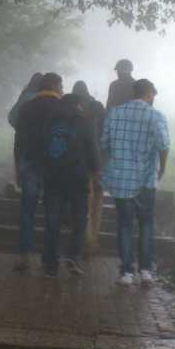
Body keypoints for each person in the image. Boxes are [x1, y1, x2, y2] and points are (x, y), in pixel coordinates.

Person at [101, 78, 169, 286]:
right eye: (153, 95)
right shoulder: (155, 115)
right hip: (146, 180)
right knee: (146, 224)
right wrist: (162, 168)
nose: (153, 99)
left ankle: (126, 273)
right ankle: (146, 271)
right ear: (149, 94)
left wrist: (110, 167)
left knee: (124, 225)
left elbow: (104, 143)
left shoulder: (115, 113)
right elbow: (164, 145)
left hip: (121, 179)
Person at [40, 91, 100, 277]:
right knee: (80, 220)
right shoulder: (85, 122)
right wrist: (96, 171)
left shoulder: (49, 121)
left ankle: (50, 264)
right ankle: (73, 257)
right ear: (78, 105)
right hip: (77, 179)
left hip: (53, 179)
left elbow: (41, 147)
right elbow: (92, 149)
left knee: (52, 222)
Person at [12, 72, 64, 272]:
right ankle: (49, 259)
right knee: (53, 213)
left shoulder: (26, 107)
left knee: (28, 211)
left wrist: (18, 166)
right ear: (56, 85)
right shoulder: (62, 108)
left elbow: (18, 140)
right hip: (55, 166)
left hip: (30, 162)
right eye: (62, 85)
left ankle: (24, 254)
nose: (63, 89)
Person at [71, 80, 107, 256]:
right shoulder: (97, 107)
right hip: (97, 162)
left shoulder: (70, 107)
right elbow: (106, 134)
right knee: (97, 203)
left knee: (83, 203)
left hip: (78, 163)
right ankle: (93, 239)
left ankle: (85, 240)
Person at [8, 72, 43, 187]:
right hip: (39, 141)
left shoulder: (24, 96)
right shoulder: (42, 99)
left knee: (24, 169)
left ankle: (24, 192)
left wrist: (20, 127)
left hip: (21, 139)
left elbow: (11, 117)